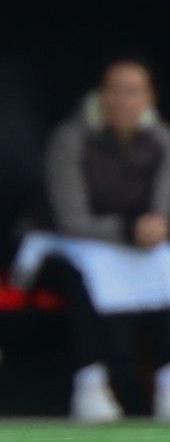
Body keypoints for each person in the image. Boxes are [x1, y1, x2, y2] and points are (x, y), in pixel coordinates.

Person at [20, 58, 170, 422]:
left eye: (133, 91)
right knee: (82, 275)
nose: (123, 100)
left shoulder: (163, 140)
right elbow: (71, 219)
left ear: (149, 97)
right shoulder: (70, 139)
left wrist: (157, 227)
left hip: (138, 245)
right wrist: (128, 230)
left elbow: (163, 208)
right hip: (62, 245)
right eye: (114, 90)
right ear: (101, 95)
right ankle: (91, 384)